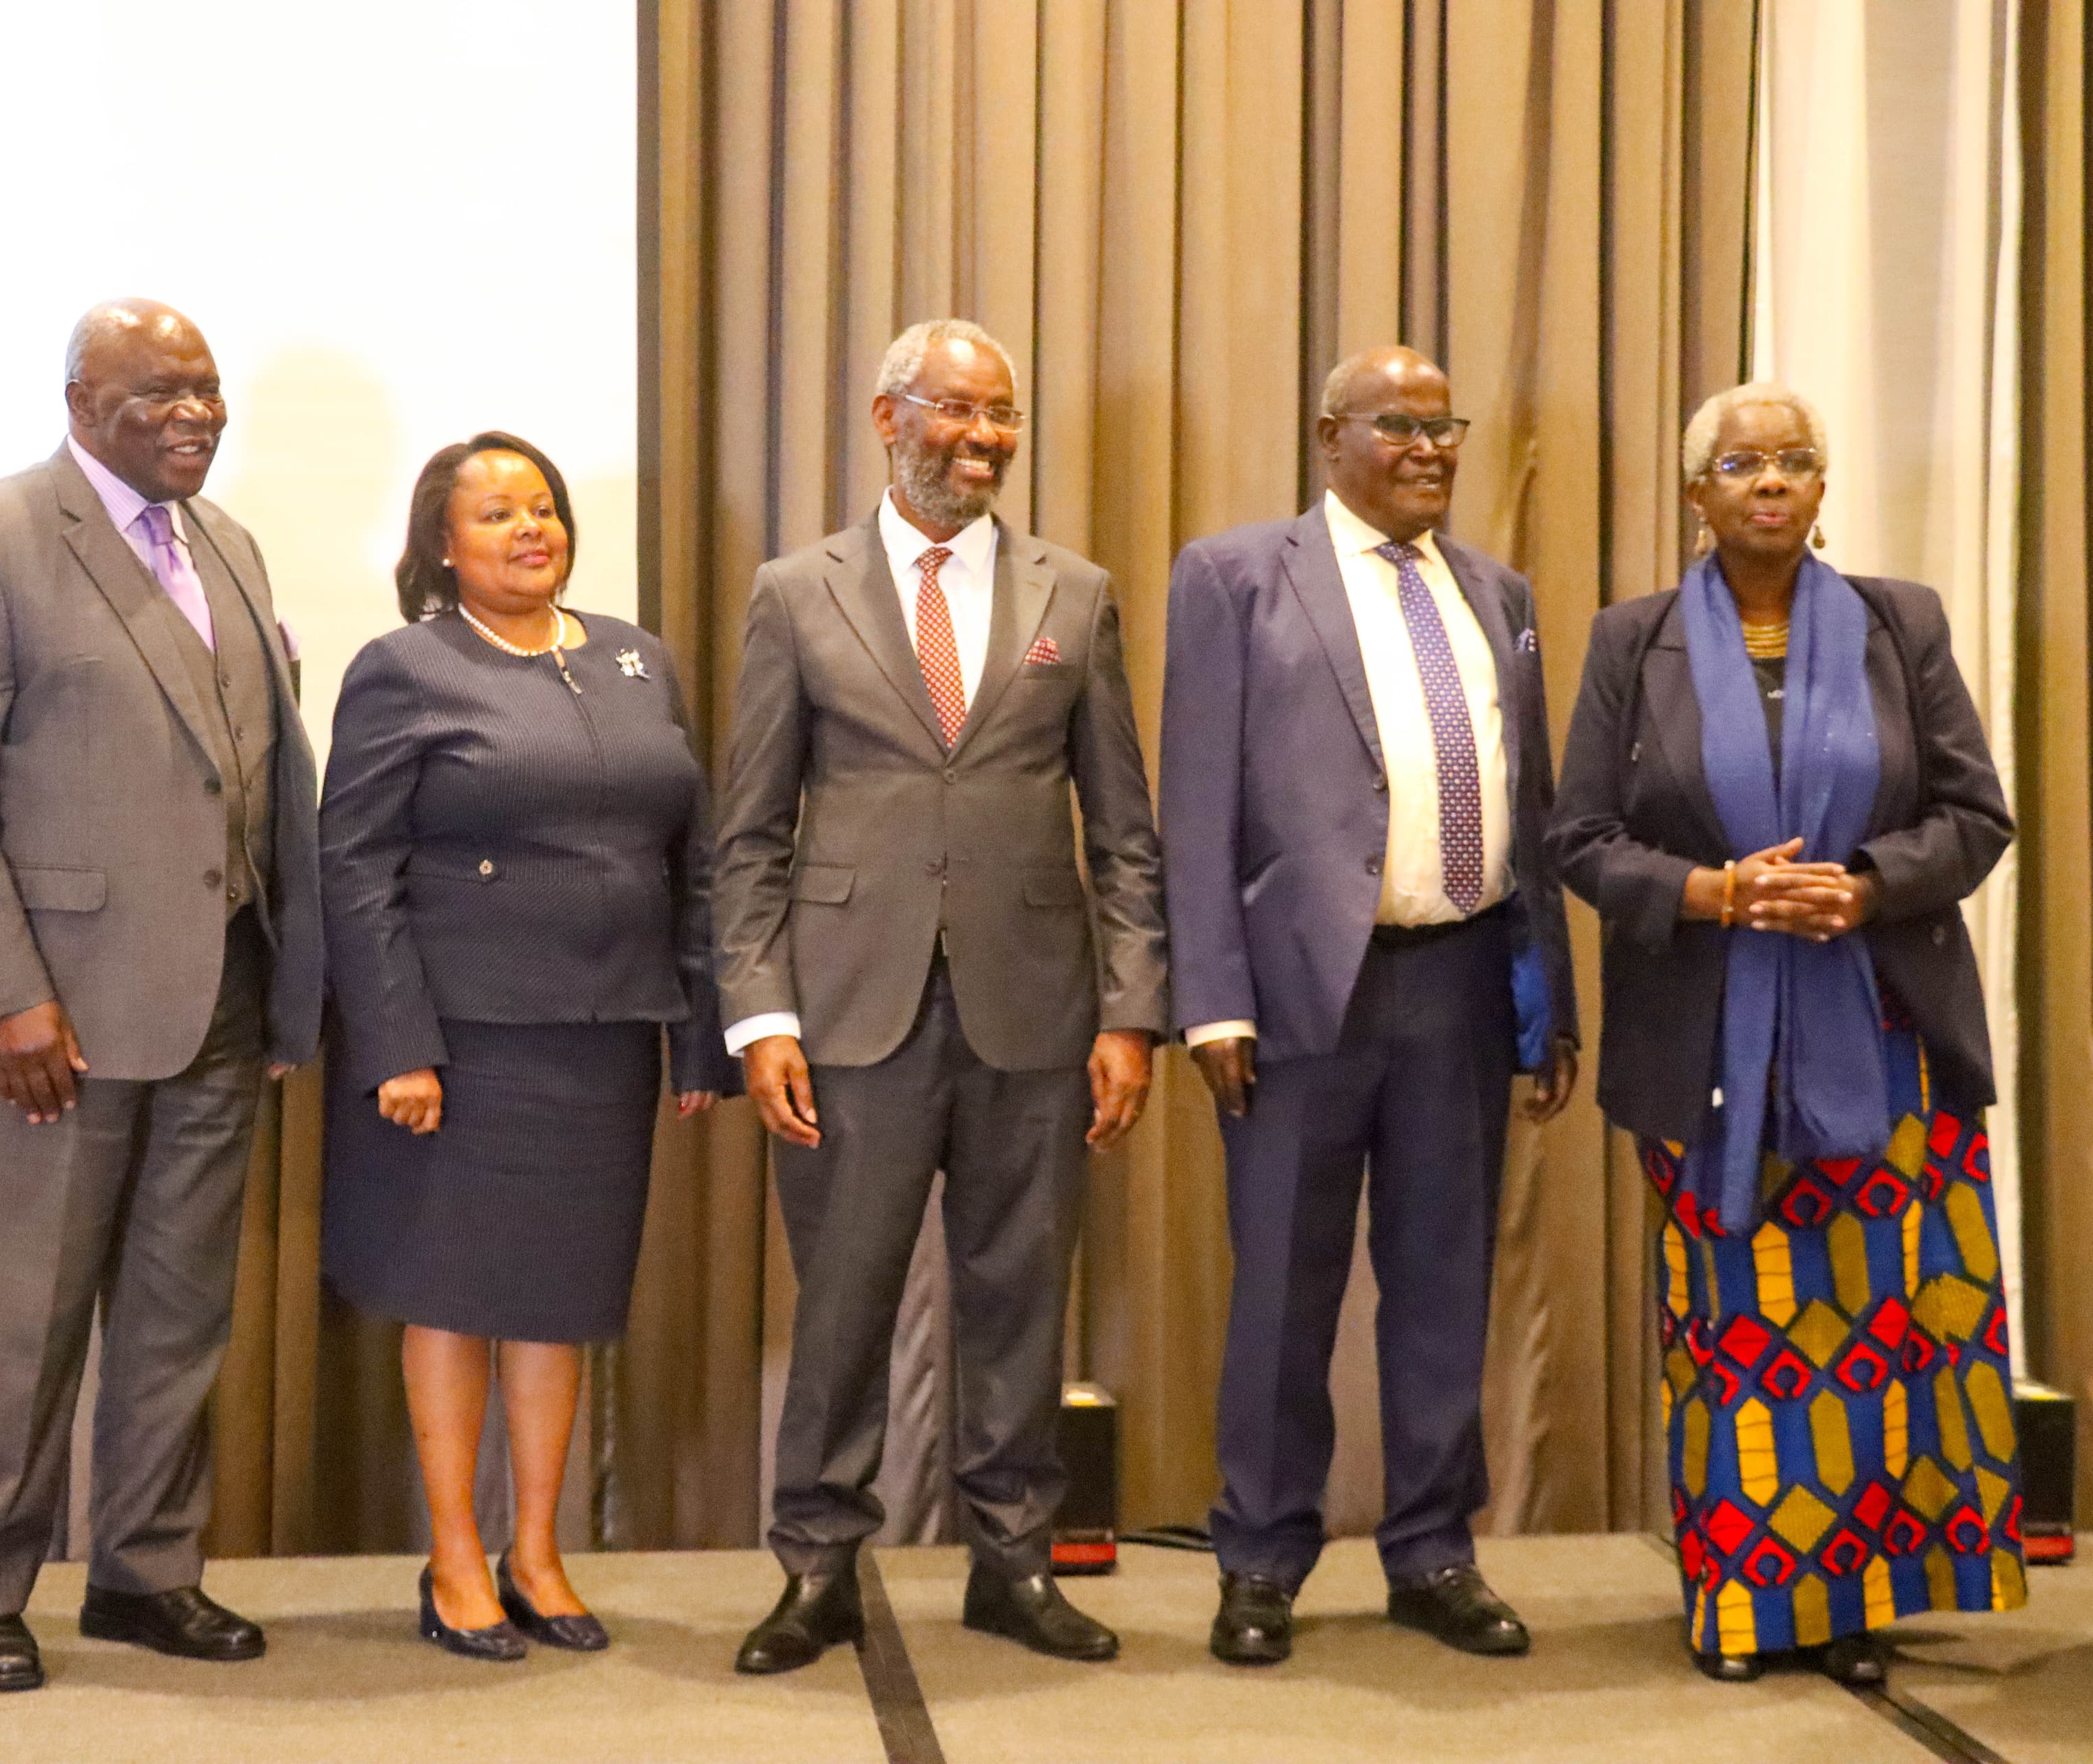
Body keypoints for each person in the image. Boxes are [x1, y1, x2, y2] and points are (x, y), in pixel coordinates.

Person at [0, 298, 324, 1692]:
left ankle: (145, 1570)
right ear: (81, 399)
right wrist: (3, 991)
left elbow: (253, 771)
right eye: (157, 394)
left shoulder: (229, 546)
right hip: (52, 1018)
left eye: (205, 390)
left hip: (220, 998)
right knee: (23, 1318)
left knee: (178, 1312)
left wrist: (289, 974)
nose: (192, 414)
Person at [1551, 382, 2023, 1685]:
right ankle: (1744, 1604)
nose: (1771, 481)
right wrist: (1712, 893)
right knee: (1738, 1332)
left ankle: (1856, 1602)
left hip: (1884, 1042)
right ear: (1696, 496)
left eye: (1796, 461)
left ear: (1823, 492)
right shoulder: (1629, 641)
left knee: (1882, 1328)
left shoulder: (1898, 623)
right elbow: (1578, 838)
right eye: (1742, 463)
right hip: (1710, 1050)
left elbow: (1977, 816)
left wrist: (1866, 883)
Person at [714, 318, 1166, 1672]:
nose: (983, 440)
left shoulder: (1073, 593)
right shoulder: (798, 592)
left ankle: (1014, 1562)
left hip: (1038, 1012)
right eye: (956, 414)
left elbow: (1126, 827)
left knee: (1021, 1299)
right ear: (887, 415)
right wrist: (761, 1012)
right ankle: (818, 1567)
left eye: (1002, 417)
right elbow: (748, 831)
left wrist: (1132, 1009)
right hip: (849, 1013)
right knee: (842, 1303)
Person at [1160, 345, 1578, 1668]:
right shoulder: (1236, 576)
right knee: (1283, 1287)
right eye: (1398, 425)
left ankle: (1434, 1550)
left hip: (1458, 983)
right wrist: (1209, 999)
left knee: (1446, 1284)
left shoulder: (1499, 592)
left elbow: (1538, 809)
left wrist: (1545, 999)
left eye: (1444, 425)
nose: (1430, 448)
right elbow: (1196, 806)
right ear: (1330, 434)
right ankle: (1265, 1556)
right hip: (1296, 999)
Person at [318, 431, 733, 1661]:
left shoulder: (633, 658)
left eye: (542, 507)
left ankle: (538, 1553)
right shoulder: (407, 667)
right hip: (462, 1042)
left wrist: (700, 1036)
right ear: (442, 545)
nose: (528, 529)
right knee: (452, 1298)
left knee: (560, 1304)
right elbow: (354, 866)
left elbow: (693, 859)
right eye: (496, 513)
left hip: (605, 1037)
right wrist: (397, 1044)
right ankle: (455, 1561)